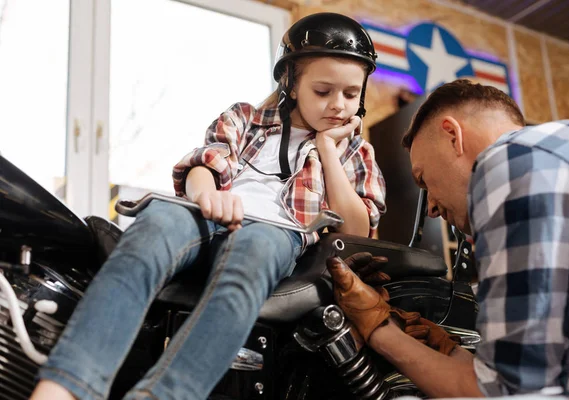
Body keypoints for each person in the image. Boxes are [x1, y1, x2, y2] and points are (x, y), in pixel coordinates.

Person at [30, 12, 387, 400]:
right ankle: (65, 386)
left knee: (257, 249)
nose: (338, 105)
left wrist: (327, 152)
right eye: (323, 91)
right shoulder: (245, 118)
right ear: (291, 83)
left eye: (351, 94)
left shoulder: (356, 151)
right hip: (207, 214)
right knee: (153, 228)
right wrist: (207, 195)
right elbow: (204, 164)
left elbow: (355, 231)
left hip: (276, 232)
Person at [327, 79, 569, 398]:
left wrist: (377, 328)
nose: (429, 207)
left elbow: (504, 394)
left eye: (423, 179)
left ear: (452, 135)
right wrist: (450, 351)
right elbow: (540, 376)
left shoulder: (511, 162)